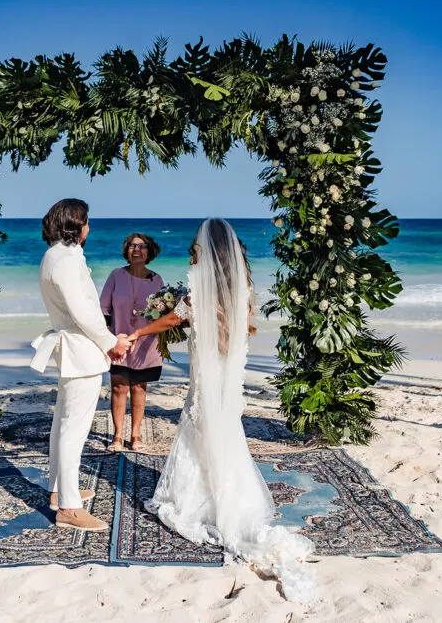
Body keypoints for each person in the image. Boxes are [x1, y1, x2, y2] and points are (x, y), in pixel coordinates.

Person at [127, 218, 315, 602]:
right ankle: (229, 497)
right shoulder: (243, 284)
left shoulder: (199, 286)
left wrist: (139, 332)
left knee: (199, 425)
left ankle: (202, 501)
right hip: (230, 378)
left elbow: (176, 318)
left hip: (207, 373)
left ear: (205, 249)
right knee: (224, 429)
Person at [30, 199, 133, 532]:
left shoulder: (53, 257)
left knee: (63, 422)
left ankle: (59, 490)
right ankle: (70, 508)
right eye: (87, 222)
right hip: (81, 352)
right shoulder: (66, 261)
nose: (90, 228)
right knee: (73, 429)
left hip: (72, 349)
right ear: (75, 225)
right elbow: (83, 313)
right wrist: (111, 342)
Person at [99, 233, 165, 452]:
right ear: (126, 251)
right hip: (118, 340)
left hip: (146, 343)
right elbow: (103, 309)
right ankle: (117, 436)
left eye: (142, 246)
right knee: (118, 387)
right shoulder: (116, 275)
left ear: (149, 251)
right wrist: (109, 338)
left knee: (139, 387)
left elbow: (163, 314)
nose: (136, 249)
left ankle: (135, 435)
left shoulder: (157, 280)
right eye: (131, 246)